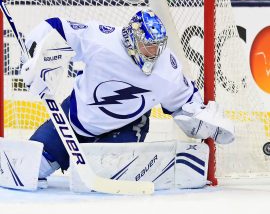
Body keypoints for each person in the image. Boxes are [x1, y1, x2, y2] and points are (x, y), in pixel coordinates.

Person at [21, 9, 235, 181]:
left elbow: (186, 102)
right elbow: (57, 27)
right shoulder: (102, 40)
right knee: (28, 167)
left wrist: (200, 119)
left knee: (105, 176)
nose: (153, 53)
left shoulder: (167, 71)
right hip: (74, 117)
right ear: (132, 37)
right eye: (148, 46)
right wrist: (33, 57)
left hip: (125, 127)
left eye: (157, 47)